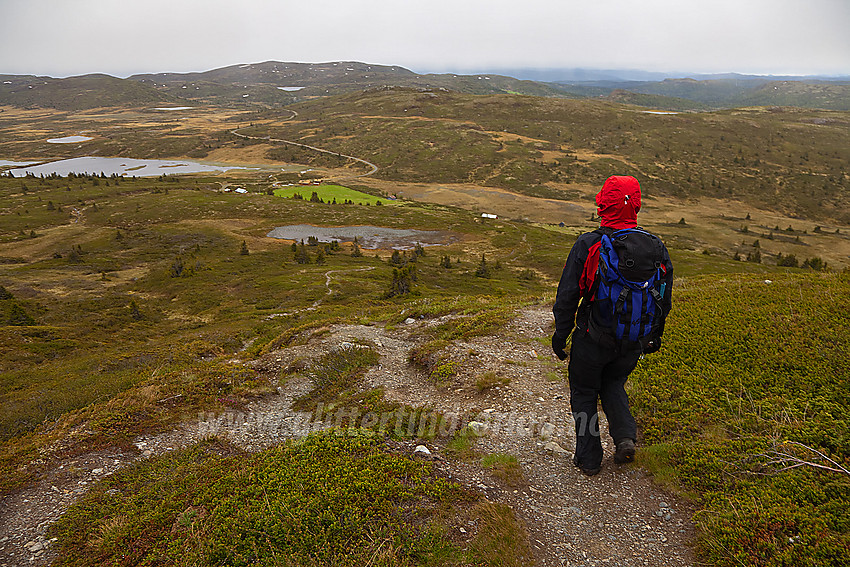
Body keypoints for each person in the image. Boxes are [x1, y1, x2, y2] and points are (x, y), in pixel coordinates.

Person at [551, 175, 673, 476]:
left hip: (594, 337)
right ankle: (625, 438)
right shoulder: (655, 248)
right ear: (637, 205)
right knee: (614, 383)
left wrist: (561, 334)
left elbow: (568, 295)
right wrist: (653, 335)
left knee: (584, 390)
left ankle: (589, 458)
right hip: (633, 340)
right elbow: (663, 298)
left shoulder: (590, 244)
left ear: (602, 203)